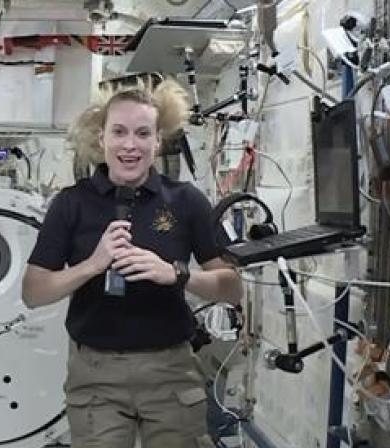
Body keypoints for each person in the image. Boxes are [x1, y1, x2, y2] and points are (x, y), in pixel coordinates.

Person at [22, 80, 243, 448]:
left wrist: (176, 274)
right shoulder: (71, 203)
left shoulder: (186, 201)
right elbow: (34, 292)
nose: (130, 145)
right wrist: (93, 265)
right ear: (102, 138)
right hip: (96, 374)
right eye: (119, 132)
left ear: (157, 142)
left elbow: (232, 288)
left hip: (170, 371)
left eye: (142, 134)